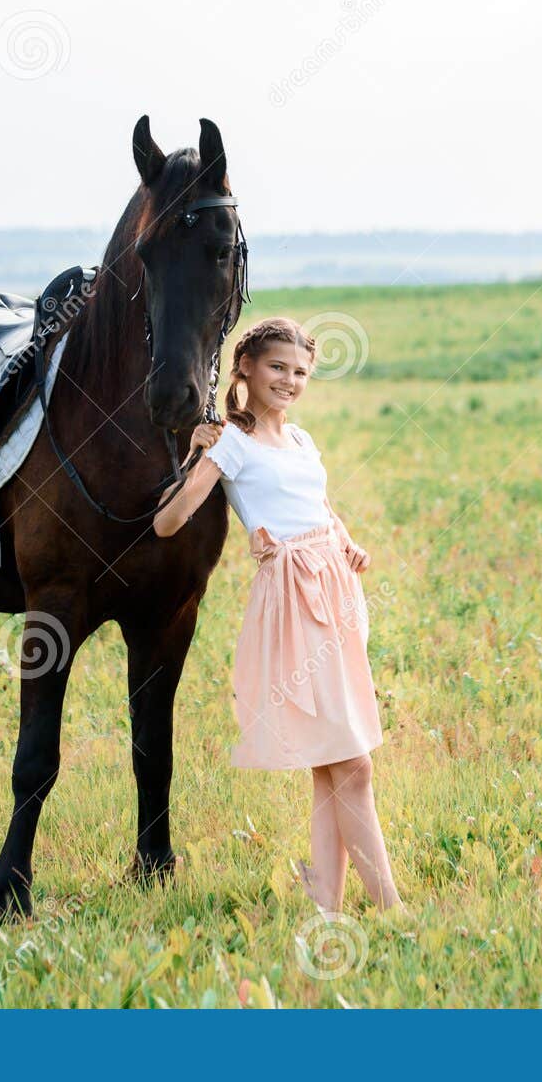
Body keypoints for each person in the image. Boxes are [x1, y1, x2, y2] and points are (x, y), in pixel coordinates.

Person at [153, 317, 402, 913]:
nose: (289, 381)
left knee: (332, 762)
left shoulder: (301, 439)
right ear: (246, 369)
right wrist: (193, 458)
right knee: (355, 763)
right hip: (294, 599)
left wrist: (346, 539)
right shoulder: (231, 444)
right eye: (277, 368)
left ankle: (329, 906)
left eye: (300, 372)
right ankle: (393, 910)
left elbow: (315, 503)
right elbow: (166, 522)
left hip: (336, 590)